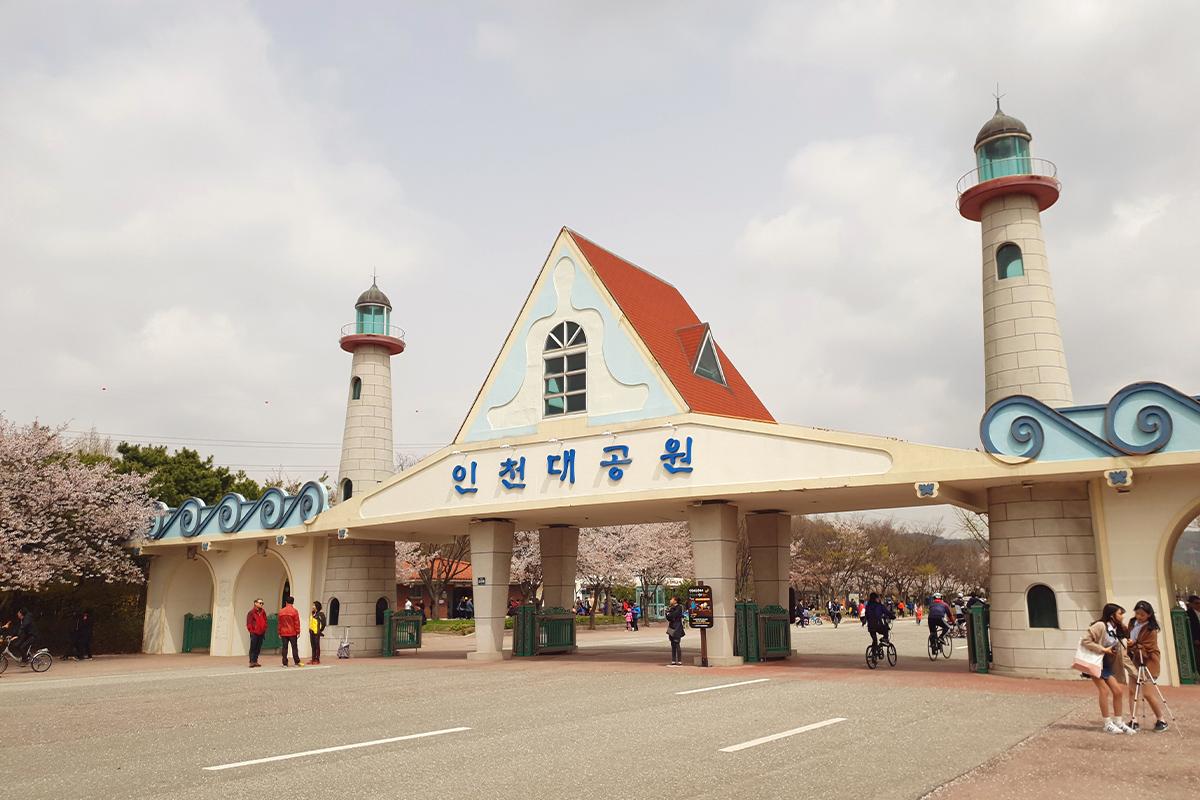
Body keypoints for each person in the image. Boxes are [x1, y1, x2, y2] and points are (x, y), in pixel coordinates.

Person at [1080, 603, 1135, 735]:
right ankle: (1107, 723)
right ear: (1112, 615)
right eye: (1120, 613)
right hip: (1095, 662)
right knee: (1104, 691)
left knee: (1118, 691)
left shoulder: (1116, 628)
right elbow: (1085, 641)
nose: (1122, 616)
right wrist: (1103, 649)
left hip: (1107, 664)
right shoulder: (1100, 625)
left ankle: (1118, 721)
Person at [1124, 600, 1167, 732]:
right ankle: (1133, 719)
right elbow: (1127, 635)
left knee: (1147, 693)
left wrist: (1133, 644)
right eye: (1137, 613)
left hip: (1148, 661)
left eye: (1142, 614)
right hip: (1135, 660)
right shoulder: (1132, 623)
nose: (1139, 616)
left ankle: (1161, 719)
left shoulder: (1151, 629)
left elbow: (1148, 647)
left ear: (1149, 615)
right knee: (1132, 690)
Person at [278, 595, 302, 667]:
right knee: (294, 647)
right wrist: (298, 631)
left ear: (286, 602)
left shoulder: (281, 611)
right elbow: (296, 622)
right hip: (292, 632)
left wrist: (279, 632)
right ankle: (296, 662)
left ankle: (285, 663)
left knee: (284, 648)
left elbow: (279, 623)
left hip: (284, 632)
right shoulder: (294, 611)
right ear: (293, 602)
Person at [246, 598, 267, 668]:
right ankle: (251, 661)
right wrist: (251, 631)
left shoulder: (263, 612)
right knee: (253, 647)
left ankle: (255, 661)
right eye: (260, 603)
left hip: (261, 632)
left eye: (262, 603)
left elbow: (265, 621)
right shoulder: (251, 612)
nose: (261, 605)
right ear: (255, 603)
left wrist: (264, 628)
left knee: (258, 648)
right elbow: (249, 623)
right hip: (254, 633)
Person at [665, 596, 686, 666]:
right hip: (671, 626)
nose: (670, 600)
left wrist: (669, 614)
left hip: (677, 627)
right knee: (672, 644)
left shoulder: (679, 607)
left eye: (672, 599)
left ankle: (679, 660)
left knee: (677, 643)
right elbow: (669, 617)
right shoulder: (671, 608)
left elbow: (673, 615)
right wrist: (668, 613)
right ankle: (673, 660)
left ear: (675, 601)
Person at [308, 600, 327, 665]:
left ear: (317, 606)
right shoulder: (313, 613)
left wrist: (320, 630)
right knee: (313, 646)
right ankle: (313, 659)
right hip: (311, 632)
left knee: (317, 646)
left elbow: (324, 623)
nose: (312, 606)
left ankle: (317, 659)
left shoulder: (321, 614)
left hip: (316, 632)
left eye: (314, 605)